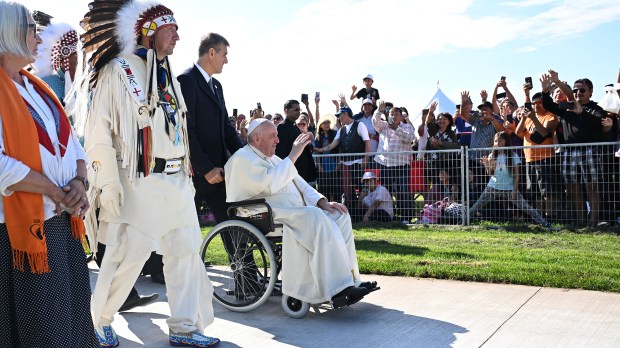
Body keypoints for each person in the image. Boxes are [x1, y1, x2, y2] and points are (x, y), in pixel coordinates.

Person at [78, 1, 219, 346]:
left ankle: (184, 327)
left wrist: (187, 172)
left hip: (176, 182)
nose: (178, 37)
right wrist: (109, 183)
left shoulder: (167, 72)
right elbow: (99, 131)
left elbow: (177, 126)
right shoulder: (118, 70)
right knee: (128, 255)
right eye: (172, 30)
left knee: (185, 252)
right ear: (150, 31)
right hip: (140, 181)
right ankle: (99, 321)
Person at [0, 2, 98, 346]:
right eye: (30, 27)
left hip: (60, 222)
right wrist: (55, 191)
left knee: (71, 320)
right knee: (41, 327)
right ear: (7, 32)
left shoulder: (36, 87)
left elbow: (73, 147)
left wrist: (78, 183)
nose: (38, 36)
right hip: (20, 232)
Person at [225, 119, 378, 305]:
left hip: (293, 211)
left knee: (340, 215)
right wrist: (294, 154)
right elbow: (271, 184)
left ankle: (351, 280)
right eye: (273, 136)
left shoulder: (273, 158)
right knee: (314, 216)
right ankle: (337, 289)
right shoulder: (242, 158)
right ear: (256, 138)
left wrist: (323, 202)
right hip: (267, 215)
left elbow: (301, 184)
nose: (277, 140)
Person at [177, 33, 243, 224]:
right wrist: (205, 169)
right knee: (183, 234)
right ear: (212, 52)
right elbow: (186, 129)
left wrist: (246, 155)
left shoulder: (217, 86)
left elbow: (226, 127)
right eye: (224, 54)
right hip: (196, 176)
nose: (227, 60)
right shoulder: (186, 80)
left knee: (236, 231)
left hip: (220, 174)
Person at [469, 132, 549, 226]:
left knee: (526, 207)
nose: (497, 143)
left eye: (500, 140)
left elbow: (516, 175)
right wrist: (487, 165)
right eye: (495, 141)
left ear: (506, 141)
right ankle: (463, 221)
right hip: (492, 187)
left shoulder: (514, 156)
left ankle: (545, 223)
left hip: (509, 188)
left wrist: (514, 190)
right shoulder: (492, 156)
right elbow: (490, 174)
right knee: (477, 205)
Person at [372, 101, 415, 223]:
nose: (393, 116)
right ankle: (389, 216)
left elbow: (410, 138)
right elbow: (375, 121)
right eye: (391, 114)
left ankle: (406, 217)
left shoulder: (407, 127)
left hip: (401, 164)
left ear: (401, 117)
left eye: (396, 114)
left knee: (403, 191)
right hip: (385, 164)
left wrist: (396, 128)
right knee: (386, 191)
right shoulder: (383, 125)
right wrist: (379, 111)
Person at [32, 22, 79, 106]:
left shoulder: (84, 84)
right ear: (65, 58)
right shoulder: (47, 83)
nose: (84, 61)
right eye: (77, 56)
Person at [275, 100, 318, 186]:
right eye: (296, 109)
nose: (298, 112)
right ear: (286, 111)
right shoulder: (282, 127)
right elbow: (281, 153)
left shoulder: (295, 126)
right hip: (292, 172)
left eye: (299, 110)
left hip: (301, 172)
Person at [314, 113, 340, 202]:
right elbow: (316, 152)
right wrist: (318, 165)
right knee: (324, 190)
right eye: (324, 122)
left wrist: (338, 163)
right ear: (320, 125)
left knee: (335, 190)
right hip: (323, 166)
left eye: (328, 122)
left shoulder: (335, 133)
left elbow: (339, 149)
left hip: (334, 165)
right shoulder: (318, 138)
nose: (327, 124)